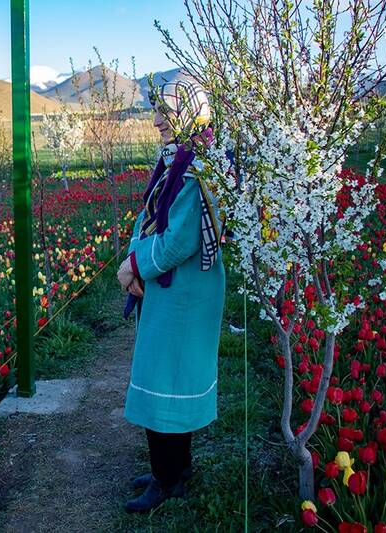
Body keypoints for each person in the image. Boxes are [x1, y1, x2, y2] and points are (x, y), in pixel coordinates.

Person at [116, 73, 225, 514]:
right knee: (173, 379)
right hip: (176, 291)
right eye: (157, 109)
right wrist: (134, 258)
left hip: (182, 294)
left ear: (189, 111)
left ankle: (166, 479)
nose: (157, 119)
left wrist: (134, 264)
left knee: (164, 380)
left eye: (166, 110)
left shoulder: (196, 168)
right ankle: (176, 471)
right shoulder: (183, 159)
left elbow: (179, 241)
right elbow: (150, 218)